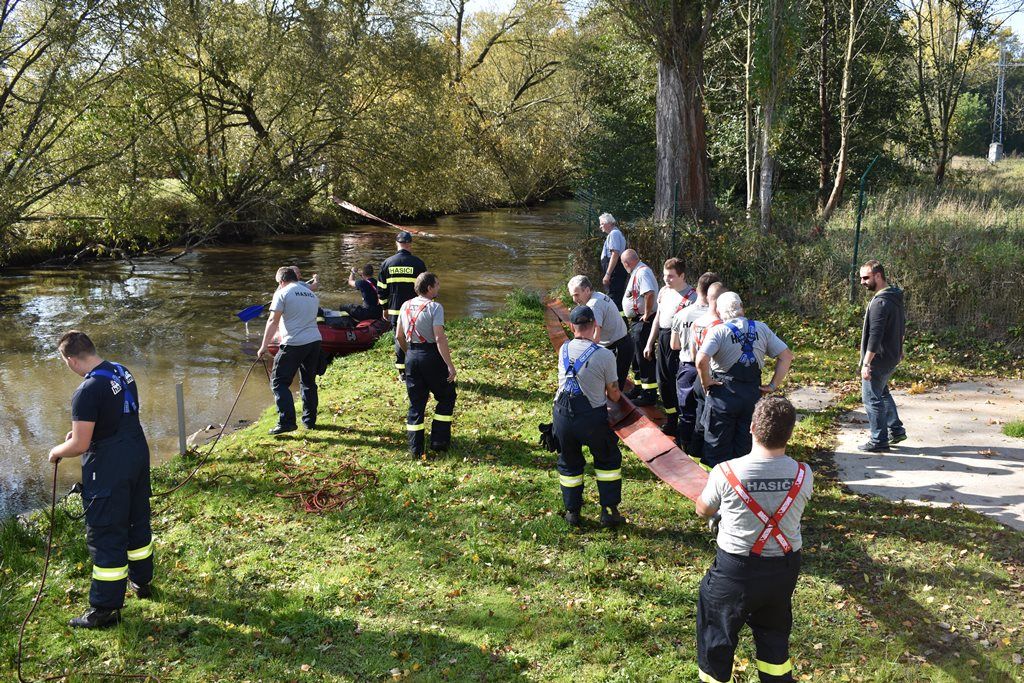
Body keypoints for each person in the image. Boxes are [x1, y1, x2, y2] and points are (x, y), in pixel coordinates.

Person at [694, 397, 813, 683]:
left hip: (736, 570)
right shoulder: (804, 473)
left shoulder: (726, 472)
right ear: (790, 433)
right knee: (774, 634)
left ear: (751, 428)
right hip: (783, 571)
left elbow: (703, 509)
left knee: (717, 634)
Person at [48, 331, 153, 629]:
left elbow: (80, 445)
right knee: (136, 520)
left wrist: (56, 451)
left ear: (70, 360)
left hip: (109, 466)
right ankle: (142, 581)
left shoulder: (86, 390)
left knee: (106, 531)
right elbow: (117, 416)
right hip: (136, 455)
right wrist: (82, 431)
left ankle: (105, 610)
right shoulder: (122, 371)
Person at [695, 292, 794, 468]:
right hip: (752, 394)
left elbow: (701, 360)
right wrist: (772, 385)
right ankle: (742, 478)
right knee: (746, 441)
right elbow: (786, 356)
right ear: (742, 307)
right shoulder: (762, 328)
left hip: (723, 394)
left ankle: (716, 478)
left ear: (718, 312)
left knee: (717, 442)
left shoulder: (718, 331)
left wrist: (706, 381)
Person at [552, 305, 625, 528]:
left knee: (569, 463)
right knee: (607, 460)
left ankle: (572, 512)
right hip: (591, 418)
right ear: (594, 325)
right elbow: (614, 394)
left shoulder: (563, 349)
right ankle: (609, 512)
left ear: (571, 326)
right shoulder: (604, 355)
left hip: (562, 415)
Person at [395, 272, 457, 458]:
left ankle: (415, 448)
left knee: (416, 403)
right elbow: (439, 338)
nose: (439, 287)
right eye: (437, 284)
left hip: (411, 356)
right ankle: (439, 442)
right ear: (429, 288)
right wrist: (450, 365)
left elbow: (398, 336)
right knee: (446, 395)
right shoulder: (435, 307)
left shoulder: (405, 305)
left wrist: (409, 353)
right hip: (431, 356)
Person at [258, 266, 322, 434]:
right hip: (314, 341)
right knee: (308, 382)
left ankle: (286, 422)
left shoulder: (282, 293)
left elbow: (273, 320)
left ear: (281, 281)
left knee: (278, 382)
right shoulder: (311, 294)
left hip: (294, 343)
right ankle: (309, 421)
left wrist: (264, 346)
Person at [858, 259, 907, 452]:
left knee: (871, 398)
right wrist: (900, 349)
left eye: (866, 278)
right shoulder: (895, 297)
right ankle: (896, 430)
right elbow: (901, 326)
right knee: (882, 392)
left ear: (878, 276)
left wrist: (866, 363)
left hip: (879, 359)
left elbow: (875, 336)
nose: (862, 282)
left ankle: (879, 440)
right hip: (891, 355)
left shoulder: (880, 302)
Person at [644, 258, 697, 437]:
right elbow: (658, 318)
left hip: (681, 344)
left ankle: (684, 421)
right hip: (664, 338)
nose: (666, 279)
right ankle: (671, 418)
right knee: (663, 382)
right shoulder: (664, 292)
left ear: (682, 276)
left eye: (671, 276)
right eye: (665, 275)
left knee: (678, 383)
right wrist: (650, 343)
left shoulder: (692, 297)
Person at [672, 272, 721, 448]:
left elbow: (674, 345)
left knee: (686, 411)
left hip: (687, 367)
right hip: (711, 370)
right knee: (707, 411)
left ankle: (685, 446)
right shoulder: (720, 318)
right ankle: (702, 448)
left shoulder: (682, 314)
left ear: (698, 289)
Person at [568, 274, 634, 390]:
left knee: (613, 388)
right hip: (619, 343)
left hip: (618, 347)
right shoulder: (598, 295)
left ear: (587, 290)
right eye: (572, 295)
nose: (574, 299)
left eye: (576, 295)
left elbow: (595, 338)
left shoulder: (593, 305)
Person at [687, 281, 727, 462]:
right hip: (711, 377)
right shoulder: (721, 326)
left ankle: (693, 454)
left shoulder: (697, 322)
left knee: (699, 416)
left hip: (699, 375)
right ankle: (707, 458)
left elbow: (694, 354)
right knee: (710, 421)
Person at [380, 231, 427, 378]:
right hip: (415, 310)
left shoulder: (387, 263)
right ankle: (417, 366)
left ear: (396, 243)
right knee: (416, 337)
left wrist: (384, 308)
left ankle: (402, 371)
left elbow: (381, 289)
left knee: (399, 337)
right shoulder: (418, 263)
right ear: (410, 244)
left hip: (395, 310)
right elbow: (425, 288)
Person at [621, 249, 659, 405]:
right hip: (638, 320)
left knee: (644, 357)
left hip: (644, 321)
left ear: (626, 263)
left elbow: (649, 293)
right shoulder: (637, 272)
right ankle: (638, 388)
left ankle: (649, 394)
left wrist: (647, 313)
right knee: (636, 357)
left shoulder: (642, 272)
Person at [598, 213, 628, 311]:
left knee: (614, 299)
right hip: (616, 271)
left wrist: (608, 274)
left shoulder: (614, 234)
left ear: (609, 223)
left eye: (602, 223)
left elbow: (615, 254)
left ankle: (617, 319)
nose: (600, 226)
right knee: (616, 298)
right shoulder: (615, 233)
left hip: (615, 272)